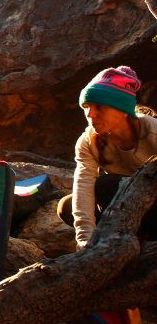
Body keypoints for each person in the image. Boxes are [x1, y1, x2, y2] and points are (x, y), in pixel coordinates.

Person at [57, 66, 157, 249]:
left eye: (99, 107)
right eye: (87, 107)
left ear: (122, 109)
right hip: (127, 207)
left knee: (107, 185)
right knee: (67, 205)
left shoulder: (153, 131)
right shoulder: (88, 142)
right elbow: (83, 185)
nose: (90, 114)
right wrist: (84, 240)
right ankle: (113, 244)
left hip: (153, 206)